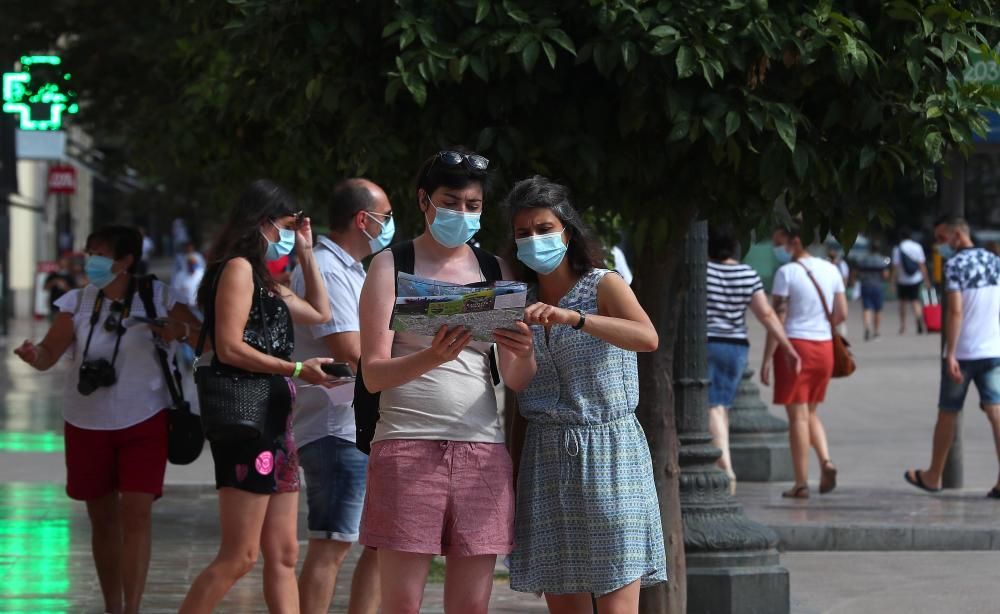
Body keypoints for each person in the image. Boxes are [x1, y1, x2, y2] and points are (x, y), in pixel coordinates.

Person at [357, 149, 535, 613]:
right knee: (402, 603)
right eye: (450, 201)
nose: (462, 213)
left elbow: (515, 379)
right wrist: (432, 355)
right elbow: (373, 374)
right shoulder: (391, 265)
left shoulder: (495, 271)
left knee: (472, 607)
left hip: (482, 448)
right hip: (406, 445)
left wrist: (523, 351)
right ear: (424, 201)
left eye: (472, 205)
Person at [13, 225, 202, 614]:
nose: (90, 261)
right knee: (101, 520)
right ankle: (112, 606)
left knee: (137, 514)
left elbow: (204, 338)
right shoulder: (77, 303)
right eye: (88, 252)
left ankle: (131, 608)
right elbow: (50, 351)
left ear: (126, 260)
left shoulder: (157, 297)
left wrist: (178, 331)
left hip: (145, 419)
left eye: (98, 253)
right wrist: (34, 356)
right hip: (86, 422)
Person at [504, 176, 666, 611]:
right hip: (546, 458)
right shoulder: (517, 299)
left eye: (543, 228)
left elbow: (647, 336)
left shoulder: (602, 284)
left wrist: (575, 318)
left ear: (567, 231)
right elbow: (517, 385)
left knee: (617, 604)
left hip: (610, 452)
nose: (533, 239)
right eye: (523, 232)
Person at [179, 180, 334, 613]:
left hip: (276, 429)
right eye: (287, 226)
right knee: (240, 556)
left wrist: (305, 251)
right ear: (263, 222)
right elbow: (229, 347)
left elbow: (321, 313)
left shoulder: (266, 279)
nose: (290, 233)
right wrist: (298, 369)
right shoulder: (239, 270)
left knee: (285, 554)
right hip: (248, 425)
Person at [291, 178, 393, 614]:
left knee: (377, 544)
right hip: (335, 429)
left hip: (359, 425)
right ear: (362, 219)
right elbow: (350, 350)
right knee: (332, 542)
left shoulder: (351, 269)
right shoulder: (326, 270)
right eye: (386, 217)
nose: (390, 226)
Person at [904, 217, 1000, 497]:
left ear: (958, 235)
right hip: (993, 349)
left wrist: (951, 353)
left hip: (966, 351)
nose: (939, 245)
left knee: (948, 411)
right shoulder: (995, 261)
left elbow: (955, 311)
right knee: (996, 412)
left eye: (942, 238)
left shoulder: (956, 265)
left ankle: (934, 475)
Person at [706, 224, 800, 495]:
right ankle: (722, 457)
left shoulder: (703, 272)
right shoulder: (747, 274)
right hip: (737, 348)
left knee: (713, 406)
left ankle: (725, 465)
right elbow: (767, 314)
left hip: (708, 343)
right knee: (722, 405)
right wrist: (788, 347)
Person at [764, 226, 848, 499]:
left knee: (797, 417)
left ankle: (801, 482)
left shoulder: (786, 273)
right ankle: (826, 461)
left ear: (794, 241)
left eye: (780, 243)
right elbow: (842, 313)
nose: (777, 249)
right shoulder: (831, 270)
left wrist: (766, 358)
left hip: (794, 348)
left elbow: (777, 318)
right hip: (824, 348)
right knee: (810, 412)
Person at [891, 228, 931, 335]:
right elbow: (922, 265)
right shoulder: (917, 247)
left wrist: (892, 281)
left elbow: (896, 266)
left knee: (902, 303)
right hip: (916, 279)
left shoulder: (898, 248)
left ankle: (903, 326)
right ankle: (918, 319)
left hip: (902, 280)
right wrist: (926, 280)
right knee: (915, 301)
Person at [852, 241, 891, 341]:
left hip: (865, 285)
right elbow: (885, 275)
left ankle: (867, 327)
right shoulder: (883, 260)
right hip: (877, 286)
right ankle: (876, 331)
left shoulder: (863, 260)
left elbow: (855, 272)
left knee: (866, 308)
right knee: (878, 309)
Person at [44, 256, 78, 320]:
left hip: (66, 306)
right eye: (61, 263)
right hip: (54, 305)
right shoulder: (53, 275)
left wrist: (65, 287)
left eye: (65, 264)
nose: (63, 265)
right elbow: (45, 288)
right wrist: (53, 282)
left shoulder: (70, 276)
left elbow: (74, 291)